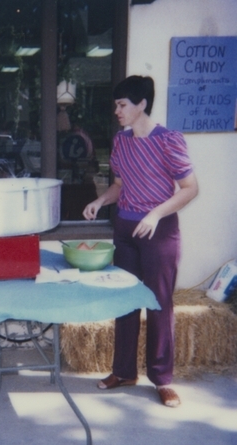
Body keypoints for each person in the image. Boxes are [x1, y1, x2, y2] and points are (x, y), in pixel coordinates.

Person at [83, 76, 198, 407]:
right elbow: (119, 185)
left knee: (159, 303)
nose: (116, 111)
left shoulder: (169, 140)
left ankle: (162, 380)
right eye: (116, 105)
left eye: (122, 105)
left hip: (159, 232)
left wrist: (155, 214)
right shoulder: (121, 141)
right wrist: (100, 201)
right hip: (126, 229)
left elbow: (190, 189)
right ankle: (123, 371)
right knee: (126, 301)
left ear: (142, 104)